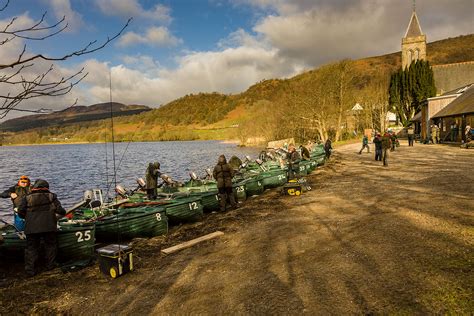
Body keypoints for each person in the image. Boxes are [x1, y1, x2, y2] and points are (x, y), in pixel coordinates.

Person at [17, 179, 66, 277]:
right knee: (50, 246)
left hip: (31, 227)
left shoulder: (27, 197)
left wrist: (28, 218)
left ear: (34, 187)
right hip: (48, 226)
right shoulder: (52, 196)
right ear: (46, 187)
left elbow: (20, 211)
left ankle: (30, 270)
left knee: (31, 248)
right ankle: (50, 266)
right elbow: (61, 211)